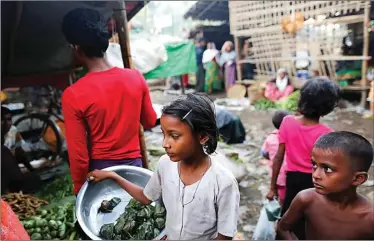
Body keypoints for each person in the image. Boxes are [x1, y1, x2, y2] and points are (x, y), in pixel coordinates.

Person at [87, 93, 240, 240]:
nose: (165, 144)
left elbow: (224, 235)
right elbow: (146, 198)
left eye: (174, 136)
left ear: (202, 136)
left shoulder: (223, 183)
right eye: (163, 134)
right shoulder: (165, 164)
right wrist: (113, 176)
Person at [61, 8, 157, 195]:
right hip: (135, 170)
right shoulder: (136, 78)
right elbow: (149, 121)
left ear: (76, 48)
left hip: (101, 175)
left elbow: (79, 157)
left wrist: (80, 189)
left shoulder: (73, 94)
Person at [266, 77, 340, 239]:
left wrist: (273, 187)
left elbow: (278, 158)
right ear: (328, 107)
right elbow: (330, 168)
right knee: (311, 222)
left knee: (288, 220)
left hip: (292, 180)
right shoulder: (327, 134)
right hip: (317, 182)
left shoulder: (287, 122)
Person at [277, 131, 374, 240]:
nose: (316, 175)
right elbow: (283, 228)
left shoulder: (369, 218)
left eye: (327, 169)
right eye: (314, 165)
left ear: (357, 178)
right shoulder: (307, 199)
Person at [261, 110, 290, 205]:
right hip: (290, 173)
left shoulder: (270, 138)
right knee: (286, 197)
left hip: (276, 174)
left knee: (279, 195)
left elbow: (264, 153)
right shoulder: (293, 136)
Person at [2, 106, 34, 172]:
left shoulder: (13, 130)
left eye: (9, 119)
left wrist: (31, 169)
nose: (6, 123)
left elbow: (20, 152)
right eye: (2, 120)